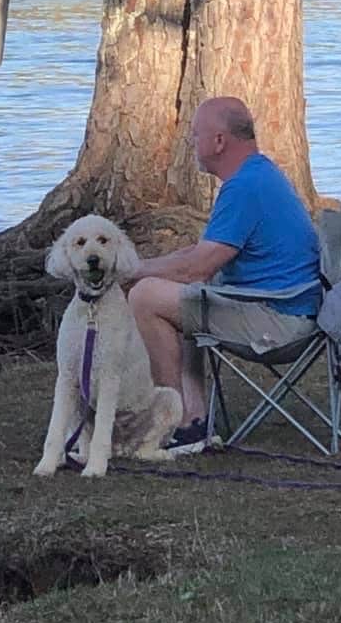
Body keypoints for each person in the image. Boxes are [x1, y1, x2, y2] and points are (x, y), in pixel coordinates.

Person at [127, 96, 321, 454]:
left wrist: (135, 274)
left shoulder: (244, 187)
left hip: (278, 323)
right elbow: (199, 256)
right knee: (184, 296)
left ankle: (171, 425)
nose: (192, 143)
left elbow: (197, 266)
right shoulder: (258, 174)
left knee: (144, 297)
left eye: (196, 134)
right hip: (292, 311)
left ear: (219, 141)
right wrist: (140, 266)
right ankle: (193, 419)